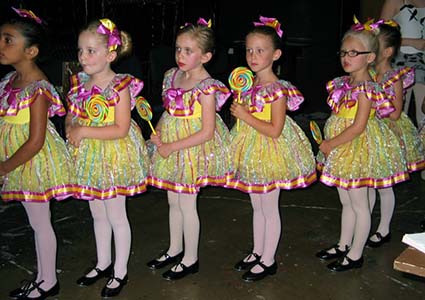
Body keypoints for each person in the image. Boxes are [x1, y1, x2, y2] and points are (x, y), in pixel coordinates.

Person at [315, 17, 409, 272]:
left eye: (354, 53)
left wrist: (330, 144)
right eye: (344, 52)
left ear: (370, 57)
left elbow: (358, 127)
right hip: (341, 149)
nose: (347, 57)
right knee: (346, 202)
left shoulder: (367, 88)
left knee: (360, 204)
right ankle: (344, 243)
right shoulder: (344, 83)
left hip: (355, 147)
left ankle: (356, 253)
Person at [227, 16, 317, 282]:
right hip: (251, 149)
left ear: (276, 54)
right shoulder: (248, 85)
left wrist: (244, 116)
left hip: (271, 151)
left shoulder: (277, 90)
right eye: (249, 50)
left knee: (269, 206)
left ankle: (269, 259)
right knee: (257, 205)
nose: (253, 56)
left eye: (260, 50)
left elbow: (275, 129)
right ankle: (257, 251)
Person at [66, 18, 149, 297]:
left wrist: (84, 129)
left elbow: (120, 128)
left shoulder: (120, 85)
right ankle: (102, 262)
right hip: (90, 154)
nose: (83, 56)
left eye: (91, 51)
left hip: (114, 154)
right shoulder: (79, 83)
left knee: (116, 214)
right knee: (96, 212)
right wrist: (71, 127)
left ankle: (120, 270)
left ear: (110, 55)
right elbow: (72, 113)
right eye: (80, 50)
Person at [146, 17, 233, 281]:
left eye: (188, 51)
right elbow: (168, 113)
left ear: (205, 56)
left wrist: (171, 146)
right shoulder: (172, 76)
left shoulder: (206, 87)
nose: (180, 55)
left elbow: (207, 131)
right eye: (178, 49)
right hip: (171, 142)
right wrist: (156, 134)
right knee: (173, 200)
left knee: (187, 203)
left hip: (191, 147)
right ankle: (175, 248)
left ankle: (190, 258)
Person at [0, 7, 74, 299]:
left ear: (31, 51)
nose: (1, 46)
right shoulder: (9, 81)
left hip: (31, 161)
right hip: (14, 156)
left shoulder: (38, 89)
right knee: (34, 222)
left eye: (8, 40)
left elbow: (35, 140)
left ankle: (48, 281)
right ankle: (43, 276)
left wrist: (5, 167)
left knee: (40, 222)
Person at [367, 21, 425, 248]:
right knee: (367, 181)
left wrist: (376, 103)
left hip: (388, 132)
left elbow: (396, 111)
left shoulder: (394, 77)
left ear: (388, 51)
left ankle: (384, 228)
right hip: (368, 132)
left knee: (384, 184)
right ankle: (365, 219)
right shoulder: (368, 74)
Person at [380, 0, 425, 128]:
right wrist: (413, 42)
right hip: (399, 61)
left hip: (423, 63)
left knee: (423, 115)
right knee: (398, 112)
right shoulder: (395, 2)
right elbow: (381, 35)